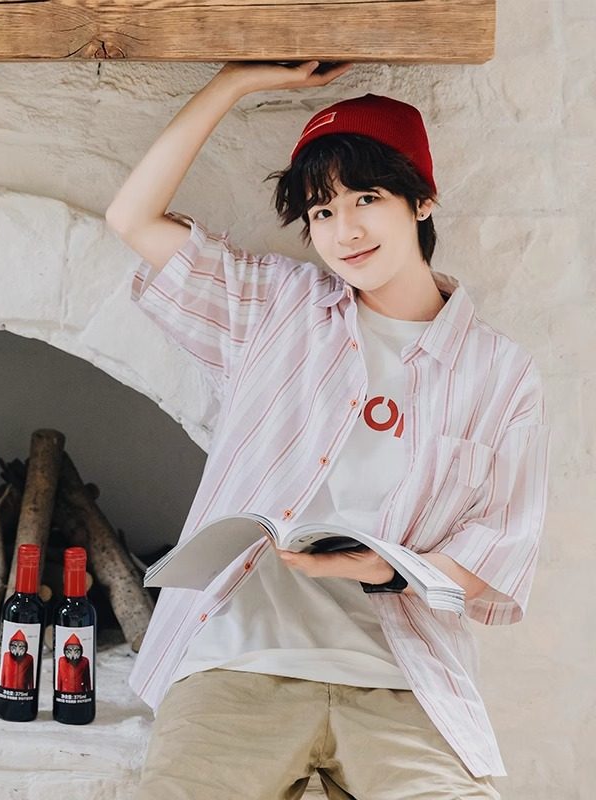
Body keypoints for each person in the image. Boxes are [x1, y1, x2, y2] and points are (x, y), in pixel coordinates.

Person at [106, 62, 550, 800]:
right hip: (236, 662)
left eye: (366, 198)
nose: (344, 231)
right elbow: (133, 218)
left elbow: (503, 546)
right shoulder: (276, 307)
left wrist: (385, 569)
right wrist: (233, 83)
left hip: (402, 680)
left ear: (422, 199)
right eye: (321, 211)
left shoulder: (500, 372)